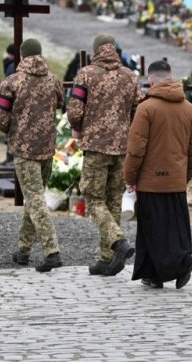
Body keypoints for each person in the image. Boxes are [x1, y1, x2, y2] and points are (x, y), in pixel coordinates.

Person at [124, 60, 192, 289]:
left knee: (152, 230)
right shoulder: (189, 108)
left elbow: (136, 149)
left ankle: (177, 264)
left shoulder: (146, 109)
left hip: (151, 181)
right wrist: (184, 175)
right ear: (171, 77)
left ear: (151, 80)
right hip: (176, 180)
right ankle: (157, 271)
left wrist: (130, 177)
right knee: (176, 228)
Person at [67, 34, 139, 276]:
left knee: (93, 199)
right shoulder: (130, 76)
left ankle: (118, 242)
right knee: (113, 201)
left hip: (96, 146)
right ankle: (107, 259)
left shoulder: (86, 74)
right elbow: (138, 110)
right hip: (122, 147)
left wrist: (79, 126)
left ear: (96, 50)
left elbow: (75, 110)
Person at [0, 39, 64, 272]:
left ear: (22, 57)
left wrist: (15, 131)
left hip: (24, 150)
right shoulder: (53, 80)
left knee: (34, 199)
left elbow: (0, 119)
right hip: (46, 147)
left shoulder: (12, 82)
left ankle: (51, 250)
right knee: (34, 198)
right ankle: (23, 249)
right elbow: (61, 104)